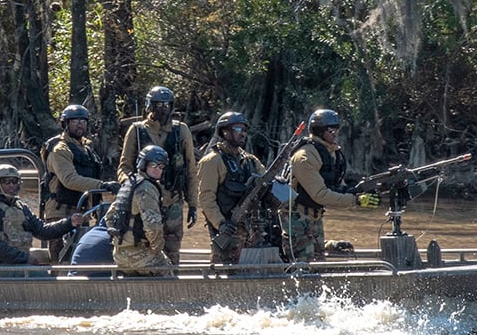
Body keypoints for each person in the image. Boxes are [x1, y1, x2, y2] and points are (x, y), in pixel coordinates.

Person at [117, 85, 198, 268]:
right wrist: (132, 188)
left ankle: (172, 286)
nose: (163, 108)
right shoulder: (136, 131)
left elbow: (191, 170)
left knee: (172, 250)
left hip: (173, 201)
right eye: (158, 104)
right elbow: (124, 168)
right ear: (149, 106)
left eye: (167, 104)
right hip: (144, 202)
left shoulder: (181, 130)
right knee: (142, 247)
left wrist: (193, 204)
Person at [285, 107, 378, 261]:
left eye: (337, 129)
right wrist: (356, 201)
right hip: (297, 218)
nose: (336, 133)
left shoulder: (331, 153)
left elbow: (336, 187)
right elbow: (320, 194)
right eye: (331, 130)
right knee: (302, 268)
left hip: (316, 217)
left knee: (319, 264)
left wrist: (360, 192)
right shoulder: (305, 157)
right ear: (319, 130)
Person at [0, 163, 83, 272]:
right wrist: (25, 258)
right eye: (6, 182)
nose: (11, 185)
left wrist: (69, 222)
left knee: (48, 270)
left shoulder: (20, 207)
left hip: (16, 263)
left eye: (15, 181)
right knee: (41, 277)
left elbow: (42, 230)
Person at [196, 110, 270, 265]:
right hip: (228, 228)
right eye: (237, 129)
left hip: (251, 230)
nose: (242, 134)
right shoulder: (212, 161)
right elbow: (206, 198)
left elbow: (267, 178)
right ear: (225, 132)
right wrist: (221, 224)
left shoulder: (250, 161)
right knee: (224, 271)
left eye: (244, 130)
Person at [105, 144, 174, 276]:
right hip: (140, 254)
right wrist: (156, 250)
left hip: (120, 254)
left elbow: (109, 217)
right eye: (154, 165)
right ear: (144, 164)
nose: (158, 170)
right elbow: (153, 226)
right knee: (168, 274)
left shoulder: (128, 183)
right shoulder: (147, 188)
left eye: (161, 167)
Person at [42, 103, 112, 221]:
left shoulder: (86, 148)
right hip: (59, 213)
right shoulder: (60, 149)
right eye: (75, 121)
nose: (80, 124)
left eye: (83, 121)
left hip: (82, 211)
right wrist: (102, 185)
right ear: (66, 124)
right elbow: (69, 180)